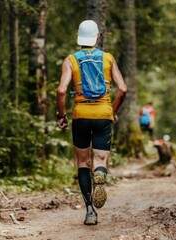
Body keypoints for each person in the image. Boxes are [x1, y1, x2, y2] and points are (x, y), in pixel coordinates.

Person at [56, 20, 127, 225]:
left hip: (81, 115)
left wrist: (61, 115)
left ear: (79, 38)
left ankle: (90, 211)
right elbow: (122, 89)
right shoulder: (108, 58)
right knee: (100, 160)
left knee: (82, 162)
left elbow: (61, 91)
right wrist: (112, 112)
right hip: (103, 113)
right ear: (97, 37)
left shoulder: (71, 60)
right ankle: (100, 173)